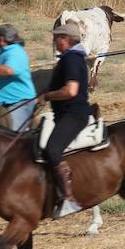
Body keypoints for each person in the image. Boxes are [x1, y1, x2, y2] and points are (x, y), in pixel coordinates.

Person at [40, 20, 91, 218]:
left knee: (52, 149)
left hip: (74, 115)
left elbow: (71, 90)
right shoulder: (71, 58)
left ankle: (69, 200)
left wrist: (48, 96)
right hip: (66, 114)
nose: (54, 40)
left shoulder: (70, 59)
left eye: (57, 37)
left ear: (66, 39)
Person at [0, 24, 37, 131]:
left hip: (19, 103)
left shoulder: (16, 52)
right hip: (3, 104)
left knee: (11, 138)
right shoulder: (5, 53)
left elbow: (8, 70)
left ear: (1, 38)